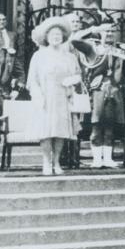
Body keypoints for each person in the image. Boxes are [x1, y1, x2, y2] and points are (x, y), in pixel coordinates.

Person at [27, 16, 85, 176]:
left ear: (64, 37)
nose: (56, 37)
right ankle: (46, 161)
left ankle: (57, 161)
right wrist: (38, 95)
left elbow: (78, 75)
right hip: (45, 97)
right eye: (53, 35)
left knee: (60, 131)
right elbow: (32, 79)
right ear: (46, 37)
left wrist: (71, 80)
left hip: (62, 97)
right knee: (46, 131)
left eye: (59, 35)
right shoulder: (39, 56)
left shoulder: (70, 56)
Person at [73, 23, 125, 169]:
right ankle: (96, 159)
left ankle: (108, 158)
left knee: (110, 127)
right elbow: (75, 40)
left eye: (112, 31)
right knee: (96, 126)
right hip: (96, 91)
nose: (109, 33)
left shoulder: (121, 49)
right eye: (106, 31)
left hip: (114, 91)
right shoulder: (92, 48)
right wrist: (93, 29)